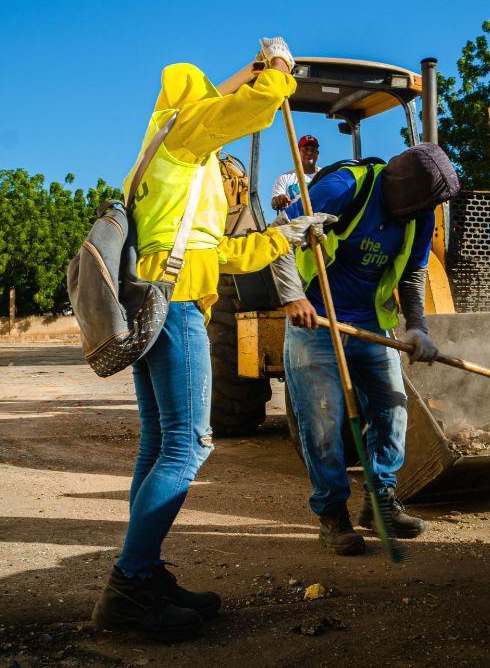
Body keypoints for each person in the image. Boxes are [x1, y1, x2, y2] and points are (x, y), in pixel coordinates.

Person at [93, 38, 335, 642]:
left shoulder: (165, 160)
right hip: (174, 310)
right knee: (189, 445)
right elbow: (251, 107)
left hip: (156, 301)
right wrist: (278, 68)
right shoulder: (185, 134)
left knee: (160, 442)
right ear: (194, 104)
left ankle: (142, 575)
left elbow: (217, 252)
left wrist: (286, 235)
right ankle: (129, 584)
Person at [276, 143, 461, 555]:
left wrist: (417, 328)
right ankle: (332, 516)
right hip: (317, 320)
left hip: (371, 324)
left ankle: (380, 501)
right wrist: (293, 297)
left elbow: (413, 273)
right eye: (419, 207)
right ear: (401, 191)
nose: (421, 216)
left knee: (392, 408)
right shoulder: (344, 186)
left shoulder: (420, 214)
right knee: (322, 422)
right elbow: (278, 237)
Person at [271, 135, 320, 210]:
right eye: (306, 149)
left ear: (317, 154)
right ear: (297, 153)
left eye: (313, 150)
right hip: (296, 220)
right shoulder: (284, 178)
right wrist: (279, 200)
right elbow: (274, 203)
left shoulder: (326, 175)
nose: (309, 153)